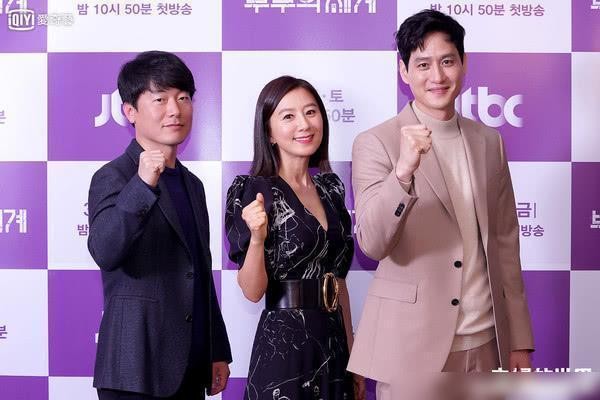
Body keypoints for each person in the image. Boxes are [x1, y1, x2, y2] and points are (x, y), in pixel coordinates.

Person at [348, 9, 535, 397]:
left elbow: (505, 242)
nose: (437, 75)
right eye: (423, 64)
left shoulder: (489, 141)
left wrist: (518, 339)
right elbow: (371, 243)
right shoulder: (376, 142)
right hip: (410, 349)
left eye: (447, 61)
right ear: (404, 71)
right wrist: (402, 173)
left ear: (463, 64)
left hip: (486, 343)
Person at [88, 50, 232, 400]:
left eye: (183, 98)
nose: (175, 110)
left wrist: (216, 349)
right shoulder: (113, 176)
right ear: (130, 112)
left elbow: (198, 270)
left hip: (189, 366)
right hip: (134, 367)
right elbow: (105, 250)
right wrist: (142, 185)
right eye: (160, 99)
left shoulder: (192, 184)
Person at [225, 75, 365, 400]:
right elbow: (252, 291)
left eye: (311, 112)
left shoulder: (331, 189)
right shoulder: (252, 190)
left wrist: (353, 356)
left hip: (333, 344)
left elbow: (338, 284)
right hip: (284, 350)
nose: (304, 124)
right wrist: (257, 238)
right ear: (269, 132)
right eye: (288, 116)